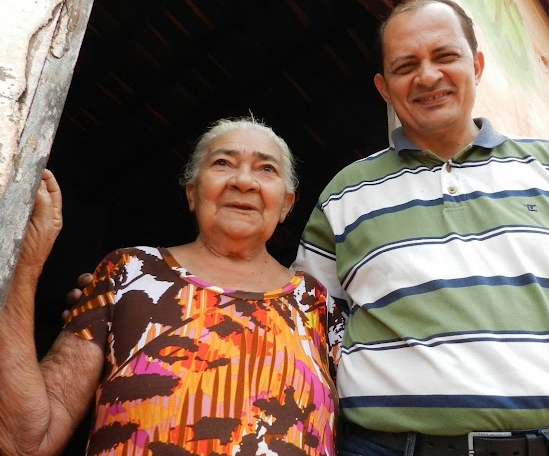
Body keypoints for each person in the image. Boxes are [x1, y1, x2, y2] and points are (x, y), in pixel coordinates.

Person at [293, 0, 549, 455]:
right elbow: (305, 344)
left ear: (476, 65)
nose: (428, 76)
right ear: (384, 87)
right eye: (405, 65)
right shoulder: (344, 195)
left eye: (445, 56)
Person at [0, 118, 342, 456]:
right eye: (223, 163)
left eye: (266, 169)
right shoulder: (129, 274)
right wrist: (26, 265)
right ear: (193, 192)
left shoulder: (318, 306)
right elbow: (26, 442)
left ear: (286, 204)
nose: (244, 181)